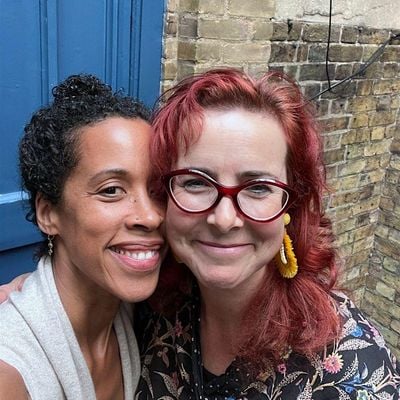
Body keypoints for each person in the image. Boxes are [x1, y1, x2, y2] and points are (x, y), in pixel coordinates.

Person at [135, 68, 400, 399]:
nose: (224, 220)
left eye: (258, 187)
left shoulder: (354, 366)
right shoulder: (156, 312)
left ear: (290, 207)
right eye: (196, 183)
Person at [0, 74, 167, 400]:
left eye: (157, 189)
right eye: (111, 190)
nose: (151, 216)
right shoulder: (11, 374)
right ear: (48, 213)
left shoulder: (148, 311)